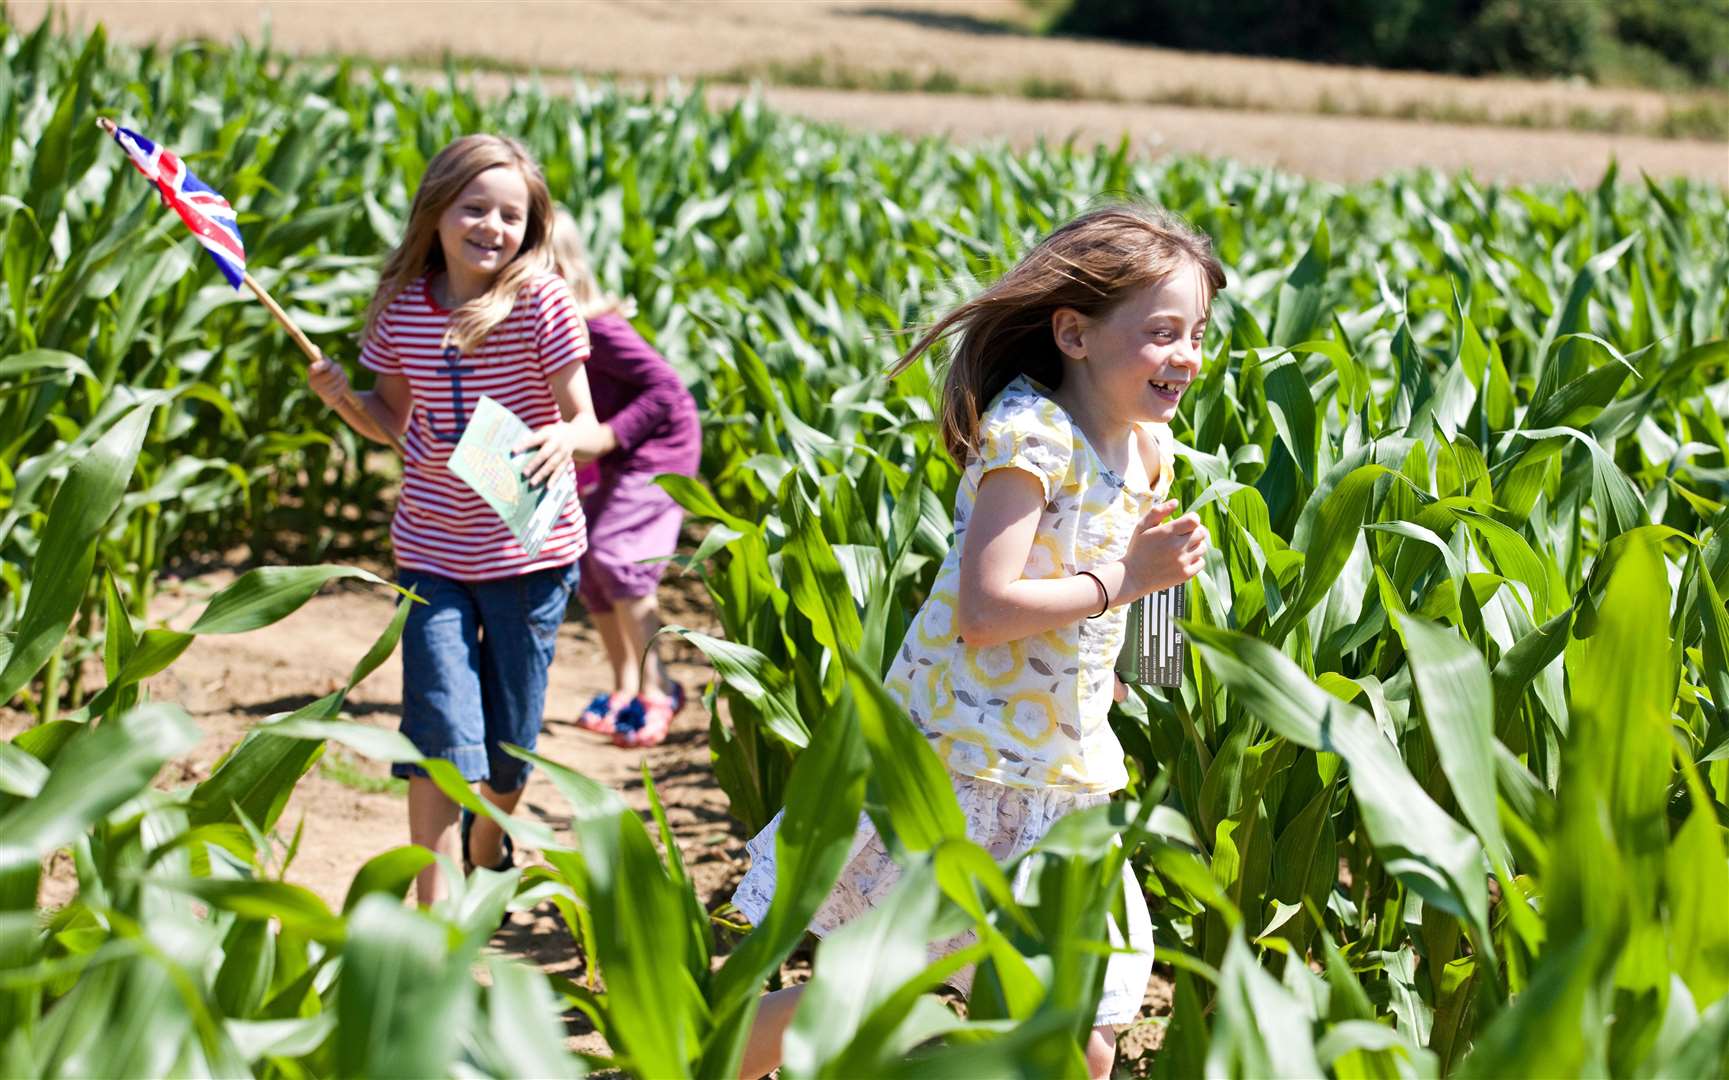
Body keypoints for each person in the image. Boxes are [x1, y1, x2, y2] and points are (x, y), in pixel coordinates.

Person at [731, 205, 1222, 1079]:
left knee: (1087, 1026)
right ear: (1072, 333)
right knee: (875, 990)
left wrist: (1127, 657)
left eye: (1195, 333)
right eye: (1160, 333)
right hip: (967, 767)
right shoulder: (1030, 438)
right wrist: (1127, 580)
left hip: (1063, 771)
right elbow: (985, 609)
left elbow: (1120, 590)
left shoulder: (1151, 449)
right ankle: (697, 1057)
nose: (1185, 355)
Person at [307, 135, 611, 904]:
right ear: (436, 213)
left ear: (530, 226)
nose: (492, 226)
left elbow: (590, 424)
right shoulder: (403, 311)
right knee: (438, 734)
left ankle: (490, 829)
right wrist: (345, 397)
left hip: (528, 552)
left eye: (511, 214)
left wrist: (560, 436)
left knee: (509, 744)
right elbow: (390, 421)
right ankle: (433, 918)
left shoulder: (541, 302)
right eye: (474, 207)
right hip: (432, 553)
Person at [547, 209, 702, 749]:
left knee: (618, 555)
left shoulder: (596, 326)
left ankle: (658, 688)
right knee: (588, 563)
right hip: (611, 452)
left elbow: (666, 390)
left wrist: (609, 437)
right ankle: (623, 685)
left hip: (658, 449)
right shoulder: (538, 329)